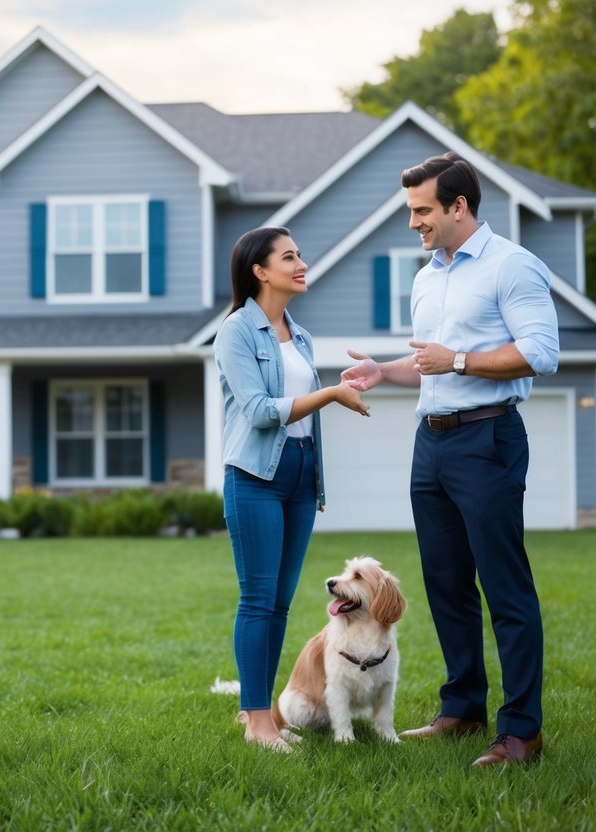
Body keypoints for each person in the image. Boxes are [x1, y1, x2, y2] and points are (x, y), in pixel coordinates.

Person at [341, 152, 559, 767]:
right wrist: (384, 371)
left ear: (458, 205)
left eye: (422, 210)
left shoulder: (511, 265)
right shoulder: (427, 276)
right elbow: (431, 363)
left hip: (488, 439)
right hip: (431, 442)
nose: (414, 222)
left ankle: (521, 732)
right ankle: (462, 709)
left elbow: (541, 353)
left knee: (505, 587)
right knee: (445, 584)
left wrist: (458, 361)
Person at [215, 226, 370, 752]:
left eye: (300, 254)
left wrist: (315, 474)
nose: (301, 263)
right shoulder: (236, 331)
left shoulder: (299, 335)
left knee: (280, 603)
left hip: (301, 475)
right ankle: (258, 723)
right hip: (255, 476)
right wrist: (331, 393)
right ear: (260, 271)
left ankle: (266, 716)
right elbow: (261, 412)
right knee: (258, 600)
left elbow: (301, 417)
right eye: (289, 257)